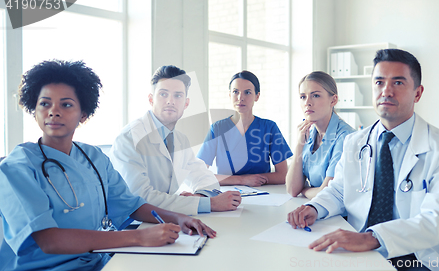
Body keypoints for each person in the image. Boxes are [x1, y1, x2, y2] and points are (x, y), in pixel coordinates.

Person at [0, 60, 215, 271]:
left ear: (83, 114)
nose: (53, 111)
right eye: (44, 104)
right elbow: (49, 240)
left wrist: (180, 218)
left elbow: (131, 205)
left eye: (66, 104)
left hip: (97, 261)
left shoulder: (93, 156)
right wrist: (138, 237)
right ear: (34, 109)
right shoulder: (18, 167)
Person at [287, 49, 439, 270]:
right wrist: (315, 208)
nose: (386, 91)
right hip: (365, 253)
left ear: (417, 93)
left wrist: (372, 238)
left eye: (397, 83)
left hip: (423, 257)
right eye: (379, 82)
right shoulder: (354, 142)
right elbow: (339, 190)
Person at [110, 65, 241, 216]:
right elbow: (140, 198)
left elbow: (204, 176)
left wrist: (201, 197)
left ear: (186, 103)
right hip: (133, 225)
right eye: (163, 94)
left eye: (178, 95)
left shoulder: (179, 139)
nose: (170, 101)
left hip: (166, 220)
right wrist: (209, 203)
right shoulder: (129, 138)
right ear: (151, 99)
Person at [197, 71, 292, 186]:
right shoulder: (217, 129)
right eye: (235, 92)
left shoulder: (269, 128)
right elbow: (199, 174)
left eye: (247, 92)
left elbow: (283, 175)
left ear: (257, 96)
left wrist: (256, 179)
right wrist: (242, 180)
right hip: (226, 195)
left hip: (265, 193)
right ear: (229, 95)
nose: (240, 97)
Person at [286, 71, 355, 199]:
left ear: (333, 100)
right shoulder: (309, 133)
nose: (307, 102)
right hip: (314, 207)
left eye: (315, 95)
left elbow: (327, 192)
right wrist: (299, 146)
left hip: (340, 215)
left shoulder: (346, 137)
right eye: (303, 97)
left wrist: (305, 190)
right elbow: (292, 189)